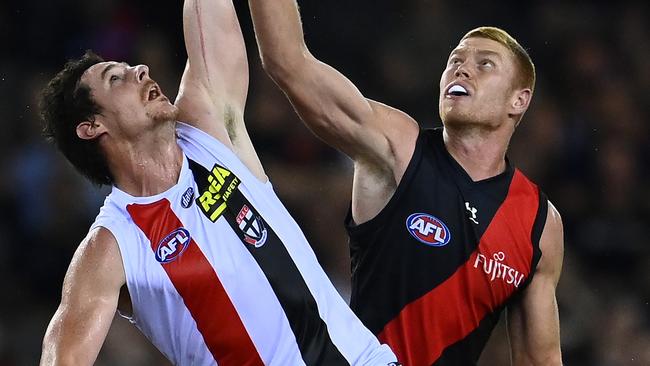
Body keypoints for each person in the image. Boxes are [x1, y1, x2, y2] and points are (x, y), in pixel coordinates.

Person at [37, 0, 400, 365]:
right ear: (92, 127)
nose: (141, 71)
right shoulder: (111, 245)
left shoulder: (207, 132)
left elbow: (209, 13)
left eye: (132, 67)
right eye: (116, 78)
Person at [248, 1, 564, 365]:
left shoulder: (540, 224)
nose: (462, 69)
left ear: (519, 100)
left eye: (485, 64)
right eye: (455, 60)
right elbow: (288, 62)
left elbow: (540, 359)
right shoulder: (398, 148)